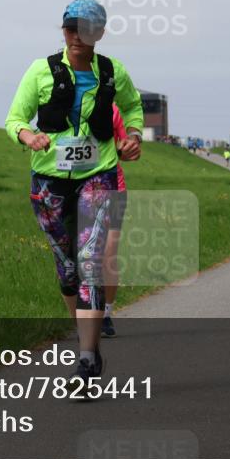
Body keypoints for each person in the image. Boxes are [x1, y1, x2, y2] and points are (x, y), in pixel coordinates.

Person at [5, 0, 144, 388]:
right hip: (48, 181)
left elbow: (132, 108)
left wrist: (133, 136)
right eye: (70, 28)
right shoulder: (40, 71)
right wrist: (28, 135)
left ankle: (85, 359)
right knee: (67, 267)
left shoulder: (113, 71)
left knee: (89, 262)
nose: (76, 36)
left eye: (85, 29)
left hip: (97, 174)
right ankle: (91, 341)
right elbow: (14, 118)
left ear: (99, 34)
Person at [101, 103, 131, 338]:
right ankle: (86, 312)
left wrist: (127, 148)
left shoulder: (112, 109)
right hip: (79, 189)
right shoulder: (66, 103)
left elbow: (123, 145)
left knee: (110, 250)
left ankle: (106, 314)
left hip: (114, 186)